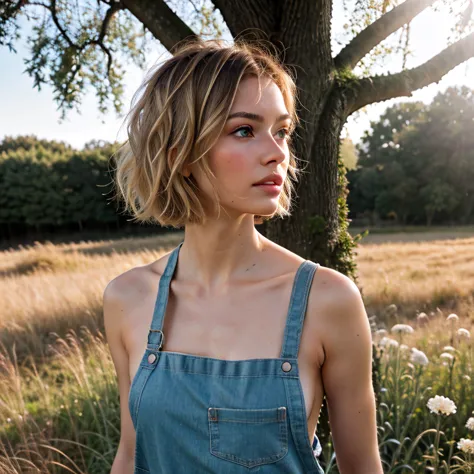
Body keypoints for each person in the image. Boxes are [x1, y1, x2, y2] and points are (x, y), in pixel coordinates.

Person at [103, 38, 383, 474]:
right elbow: (129, 453)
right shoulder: (127, 299)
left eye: (282, 131)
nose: (277, 152)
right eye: (244, 130)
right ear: (181, 155)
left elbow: (362, 467)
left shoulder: (326, 299)